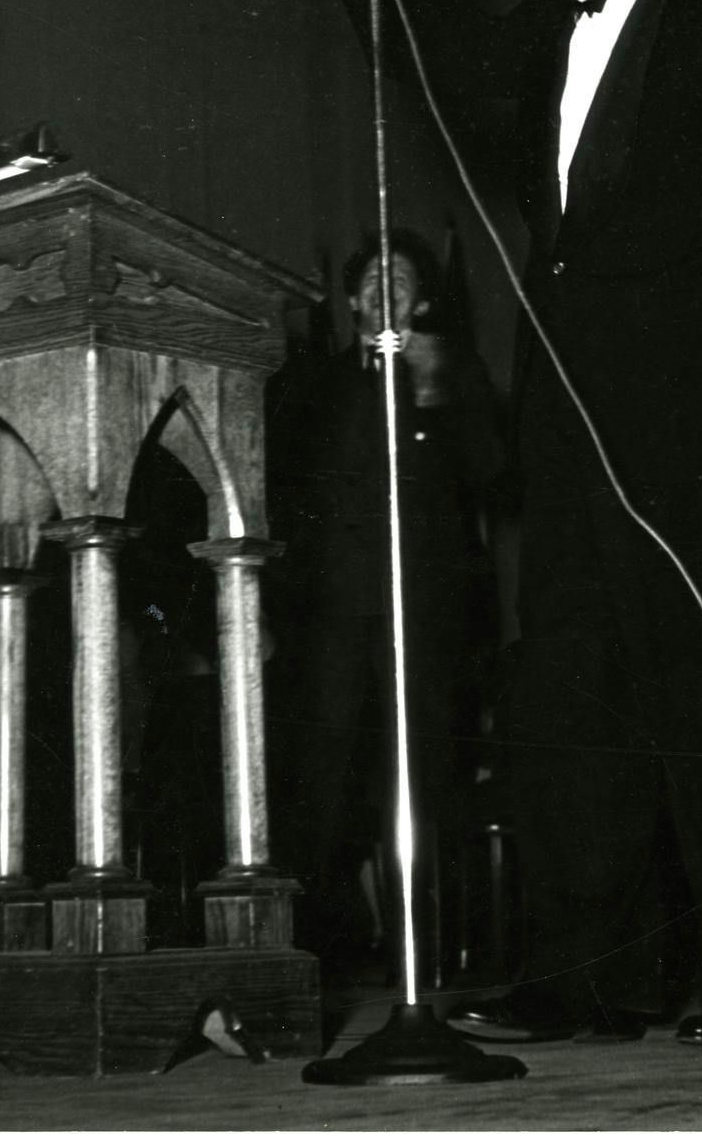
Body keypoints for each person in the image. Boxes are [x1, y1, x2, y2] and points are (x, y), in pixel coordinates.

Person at [306, 0, 702, 1044]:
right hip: (573, 428)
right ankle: (590, 975)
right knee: (572, 697)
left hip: (700, 417)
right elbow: (434, 65)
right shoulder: (546, 36)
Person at [265, 230, 504, 979]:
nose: (381, 297)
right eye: (369, 285)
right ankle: (314, 955)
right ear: (351, 301)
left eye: (397, 283)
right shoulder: (308, 385)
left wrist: (436, 392)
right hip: (331, 619)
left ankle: (431, 950)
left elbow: (498, 478)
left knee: (426, 779)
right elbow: (277, 497)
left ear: (423, 299)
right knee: (320, 782)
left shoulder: (451, 374)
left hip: (425, 617)